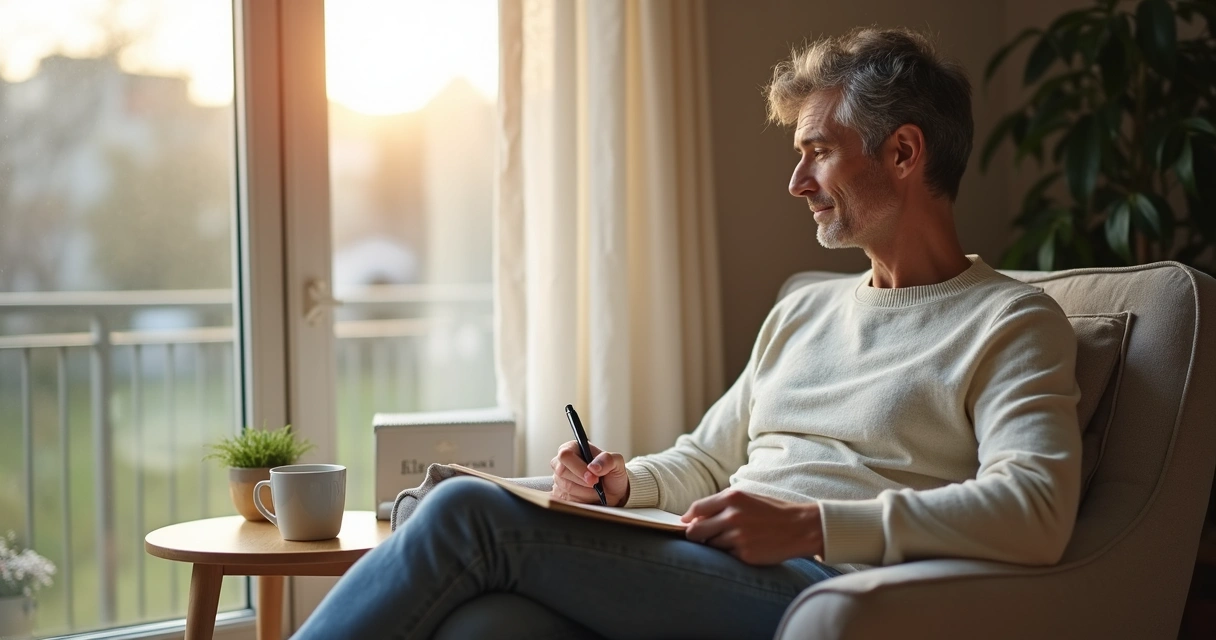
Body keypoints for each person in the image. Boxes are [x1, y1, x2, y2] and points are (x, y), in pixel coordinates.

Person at [294, 27, 1080, 640]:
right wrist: (626, 483)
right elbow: (708, 457)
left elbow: (1036, 507)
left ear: (904, 151)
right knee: (491, 627)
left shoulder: (1010, 322)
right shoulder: (806, 309)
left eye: (818, 153)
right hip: (713, 563)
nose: (796, 183)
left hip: (827, 588)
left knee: (466, 513)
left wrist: (813, 524)